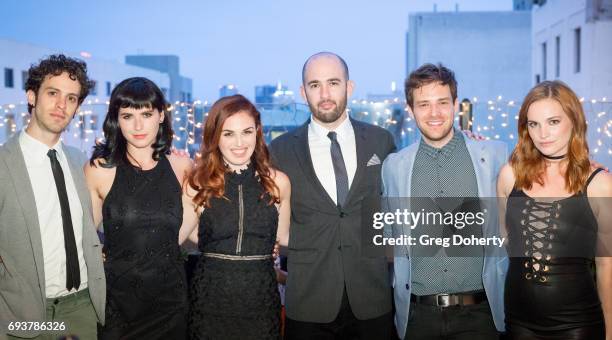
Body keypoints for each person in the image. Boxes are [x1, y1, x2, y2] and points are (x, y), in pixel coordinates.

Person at [269, 52, 396, 339]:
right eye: (315, 85)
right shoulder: (281, 150)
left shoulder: (381, 141)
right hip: (308, 303)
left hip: (372, 299)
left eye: (333, 83)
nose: (325, 94)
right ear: (303, 92)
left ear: (349, 87)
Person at [382, 63, 508, 339]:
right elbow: (389, 237)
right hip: (418, 318)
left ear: (455, 105)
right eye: (424, 104)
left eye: (442, 102)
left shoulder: (493, 157)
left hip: (480, 316)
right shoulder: (394, 166)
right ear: (411, 109)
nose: (434, 113)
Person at [0, 54, 105, 339]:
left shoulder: (78, 160)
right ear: (32, 96)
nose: (62, 105)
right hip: (23, 314)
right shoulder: (3, 163)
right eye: (53, 93)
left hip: (83, 308)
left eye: (72, 98)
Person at [497, 80, 612, 339]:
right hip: (518, 322)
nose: (542, 134)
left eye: (553, 122)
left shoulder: (600, 184)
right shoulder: (508, 176)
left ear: (574, 121)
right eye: (533, 124)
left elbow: (607, 268)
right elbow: (506, 241)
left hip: (577, 324)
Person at [84, 77, 192, 339]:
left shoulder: (182, 167)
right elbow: (84, 237)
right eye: (127, 116)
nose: (138, 125)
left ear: (161, 116)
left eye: (146, 113)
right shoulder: (100, 170)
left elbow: (190, 228)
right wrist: (99, 255)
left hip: (171, 304)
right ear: (116, 120)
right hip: (119, 306)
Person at [184, 94, 291, 339]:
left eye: (247, 131)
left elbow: (283, 237)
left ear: (258, 132)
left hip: (261, 303)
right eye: (228, 133)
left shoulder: (279, 183)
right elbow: (185, 236)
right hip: (210, 303)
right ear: (215, 137)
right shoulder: (197, 184)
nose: (239, 142)